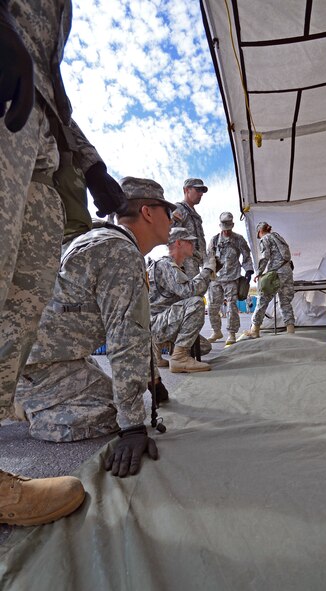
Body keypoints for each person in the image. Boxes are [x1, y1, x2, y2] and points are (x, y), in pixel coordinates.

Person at [0, 0, 125, 526]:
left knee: (15, 313)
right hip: (5, 107)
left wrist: (91, 165)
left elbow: (52, 86)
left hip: (46, 151)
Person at [14, 177, 174, 481]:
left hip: (51, 353)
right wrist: (132, 426)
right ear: (147, 212)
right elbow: (125, 338)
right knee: (112, 410)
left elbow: (136, 324)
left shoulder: (105, 240)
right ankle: (29, 405)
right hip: (36, 364)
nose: (172, 219)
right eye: (167, 211)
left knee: (122, 390)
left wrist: (152, 377)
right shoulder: (120, 252)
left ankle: (30, 393)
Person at [148, 227, 218, 373]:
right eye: (189, 242)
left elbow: (192, 290)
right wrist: (206, 270)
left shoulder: (175, 267)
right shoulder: (165, 265)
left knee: (204, 347)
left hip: (162, 321)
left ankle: (157, 350)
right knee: (197, 303)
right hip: (156, 324)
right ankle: (179, 358)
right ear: (179, 243)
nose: (193, 245)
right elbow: (190, 292)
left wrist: (208, 272)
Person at [207, 212, 254, 346]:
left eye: (228, 228)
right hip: (216, 278)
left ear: (232, 225)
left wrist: (249, 270)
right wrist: (207, 273)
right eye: (224, 229)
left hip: (232, 277)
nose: (226, 231)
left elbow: (246, 255)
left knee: (232, 306)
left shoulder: (239, 239)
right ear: (220, 226)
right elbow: (209, 258)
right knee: (212, 307)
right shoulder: (215, 240)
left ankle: (232, 333)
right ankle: (216, 331)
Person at [243, 221, 295, 338]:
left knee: (262, 299)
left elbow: (265, 257)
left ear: (260, 231)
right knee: (285, 302)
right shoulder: (278, 237)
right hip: (287, 271)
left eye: (258, 235)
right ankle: (290, 330)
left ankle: (254, 330)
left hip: (276, 273)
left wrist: (259, 273)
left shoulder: (265, 238)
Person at [171, 178, 208, 278]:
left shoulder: (195, 215)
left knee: (196, 293)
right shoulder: (179, 209)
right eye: (198, 190)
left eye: (202, 191)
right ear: (186, 190)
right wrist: (179, 265)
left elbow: (200, 241)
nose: (201, 194)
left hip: (195, 264)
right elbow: (171, 237)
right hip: (185, 264)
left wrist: (205, 261)